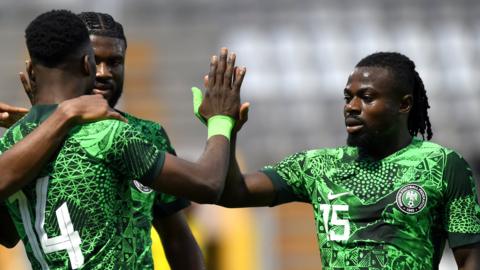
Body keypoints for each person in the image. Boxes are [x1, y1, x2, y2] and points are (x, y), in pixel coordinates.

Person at [0, 9, 244, 269]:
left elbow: (177, 238)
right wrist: (221, 120)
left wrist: (42, 121)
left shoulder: (147, 135)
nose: (104, 72)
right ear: (85, 63)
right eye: (96, 60)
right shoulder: (108, 135)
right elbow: (209, 183)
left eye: (115, 62)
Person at [203, 52, 480, 269]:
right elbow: (232, 193)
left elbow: (469, 260)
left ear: (404, 105)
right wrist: (225, 128)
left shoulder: (444, 165)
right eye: (348, 97)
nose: (351, 106)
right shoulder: (317, 167)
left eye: (366, 97)